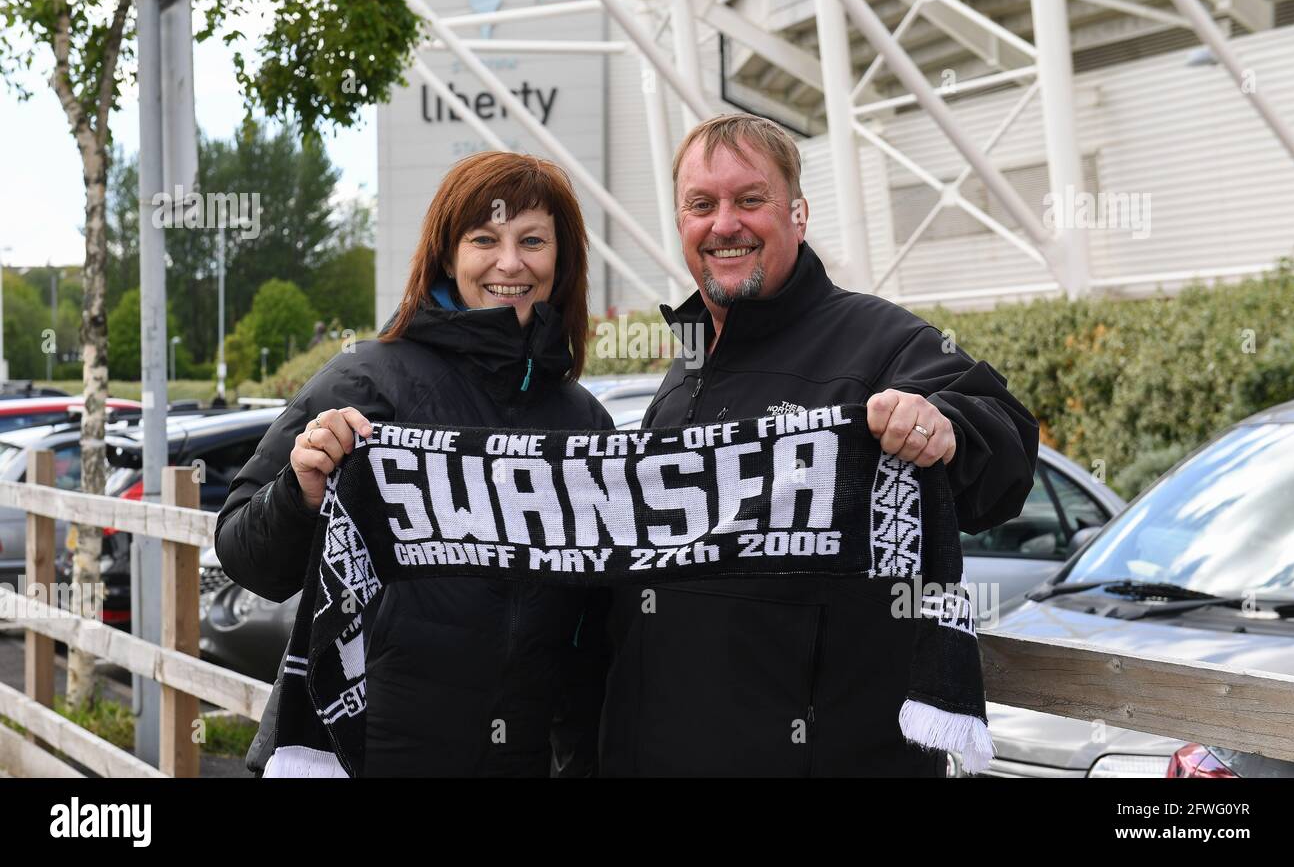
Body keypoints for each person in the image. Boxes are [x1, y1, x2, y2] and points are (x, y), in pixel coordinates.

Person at [596, 113, 1040, 776]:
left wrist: (943, 426)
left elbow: (1004, 453)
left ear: (797, 215)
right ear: (682, 223)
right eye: (702, 204)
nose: (725, 224)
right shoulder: (685, 363)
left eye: (750, 200)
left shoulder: (878, 340)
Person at [214, 151, 613, 777]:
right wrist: (299, 494)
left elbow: (593, 636)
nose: (511, 263)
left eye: (532, 240)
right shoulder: (367, 379)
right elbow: (243, 554)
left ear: (561, 261)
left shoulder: (584, 424)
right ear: (448, 255)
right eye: (485, 239)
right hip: (366, 760)